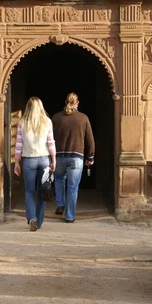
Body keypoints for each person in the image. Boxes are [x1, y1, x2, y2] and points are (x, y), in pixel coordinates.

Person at [14, 97, 56, 232]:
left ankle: (32, 218)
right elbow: (51, 142)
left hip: (28, 160)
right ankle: (38, 222)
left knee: (29, 191)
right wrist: (54, 160)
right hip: (44, 159)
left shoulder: (22, 122)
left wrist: (16, 162)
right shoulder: (47, 121)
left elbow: (18, 144)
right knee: (42, 191)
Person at [52, 92, 95, 223]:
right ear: (77, 103)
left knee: (58, 179)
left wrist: (49, 154)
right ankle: (69, 216)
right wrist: (91, 156)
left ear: (66, 102)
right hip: (77, 157)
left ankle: (60, 204)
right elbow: (90, 140)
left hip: (59, 155)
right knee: (72, 187)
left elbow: (50, 138)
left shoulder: (56, 118)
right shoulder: (83, 118)